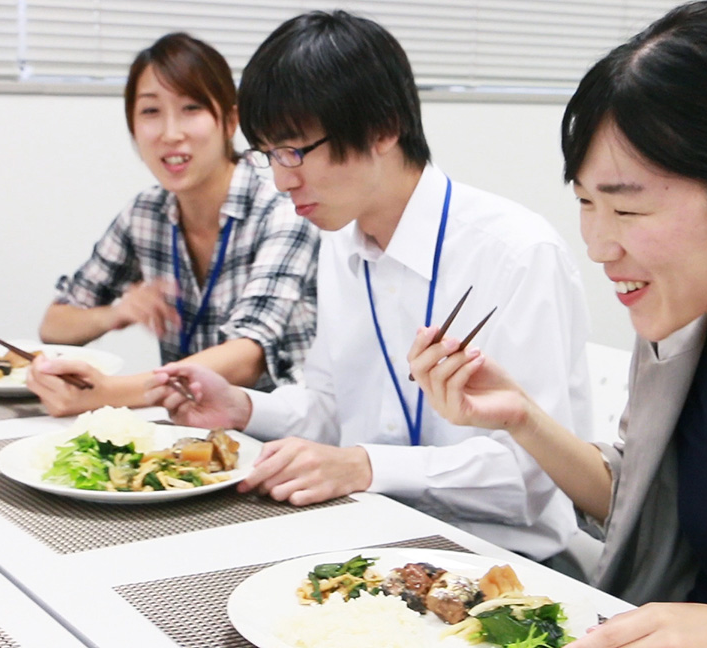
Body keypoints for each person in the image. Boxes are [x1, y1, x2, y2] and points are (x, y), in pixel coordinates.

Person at [408, 1, 707, 645]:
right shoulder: (678, 331)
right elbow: (644, 499)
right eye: (585, 203)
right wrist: (521, 417)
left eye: (627, 212)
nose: (598, 245)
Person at [145, 10, 592, 565]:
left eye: (295, 150)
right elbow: (330, 406)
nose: (282, 179)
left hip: (502, 564)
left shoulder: (515, 253)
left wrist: (365, 465)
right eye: (268, 154)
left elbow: (532, 478)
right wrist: (241, 407)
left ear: (383, 128)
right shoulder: (341, 242)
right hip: (370, 540)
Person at [29, 32, 319, 417]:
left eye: (191, 108)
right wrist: (117, 313)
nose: (170, 133)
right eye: (150, 112)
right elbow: (55, 325)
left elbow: (249, 355)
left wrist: (106, 393)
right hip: (188, 433)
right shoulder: (146, 213)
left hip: (284, 434)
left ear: (230, 120)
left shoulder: (280, 208)